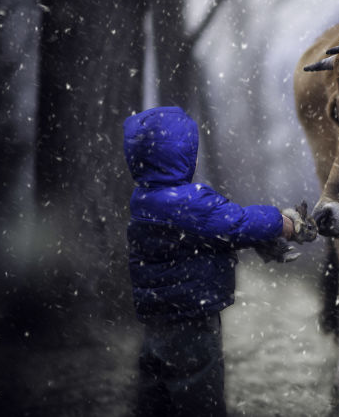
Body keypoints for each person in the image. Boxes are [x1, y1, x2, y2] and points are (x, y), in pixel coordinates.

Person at [122, 106, 317, 417]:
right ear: (184, 159)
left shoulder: (143, 199)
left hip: (157, 317)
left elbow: (215, 233)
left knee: (156, 392)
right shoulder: (188, 203)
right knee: (199, 392)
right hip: (192, 319)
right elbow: (236, 223)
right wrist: (283, 223)